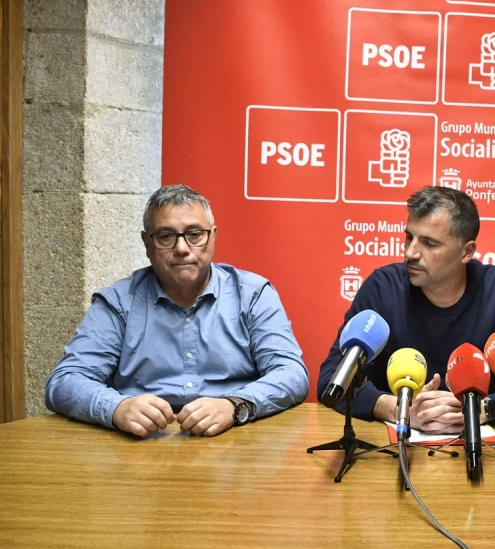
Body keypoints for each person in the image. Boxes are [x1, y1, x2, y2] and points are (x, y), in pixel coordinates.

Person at [45, 185, 309, 437]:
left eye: (194, 235)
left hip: (235, 435)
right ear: (147, 243)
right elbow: (65, 381)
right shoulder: (118, 302)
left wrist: (236, 405)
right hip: (141, 440)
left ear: (213, 236)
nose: (181, 249)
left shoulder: (252, 295)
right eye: (165, 237)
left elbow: (291, 374)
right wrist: (116, 408)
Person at [318, 187, 495, 433]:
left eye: (429, 244)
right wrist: (397, 409)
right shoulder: (381, 288)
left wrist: (482, 409)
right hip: (392, 441)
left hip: (478, 442)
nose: (410, 252)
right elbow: (332, 379)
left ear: (466, 252)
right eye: (409, 237)